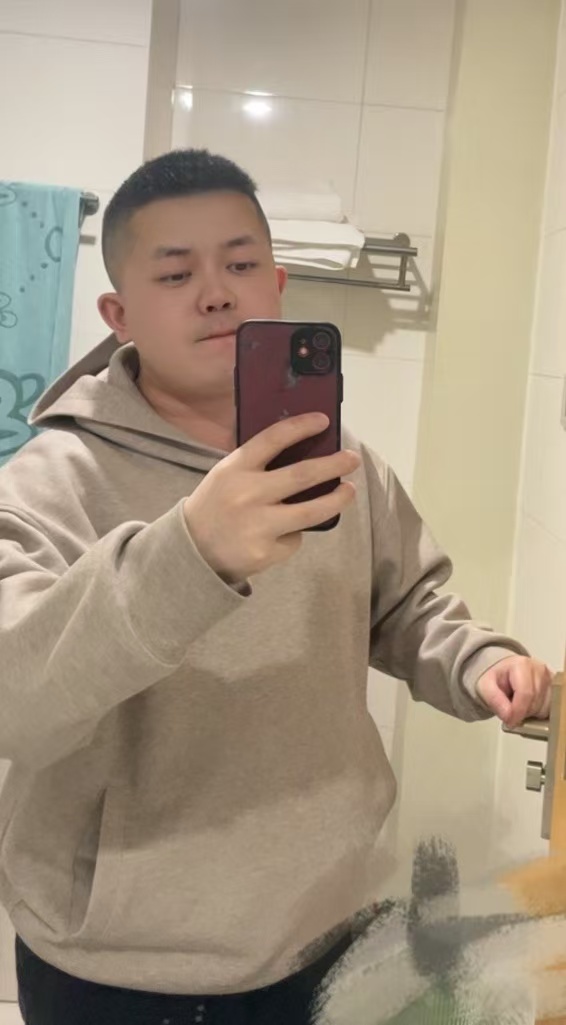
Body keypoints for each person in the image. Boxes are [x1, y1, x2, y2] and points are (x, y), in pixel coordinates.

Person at [0, 148, 551, 1025]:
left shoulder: (338, 459)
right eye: (175, 273)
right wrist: (192, 552)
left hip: (325, 930)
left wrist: (477, 661)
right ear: (119, 313)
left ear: (278, 286)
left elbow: (406, 603)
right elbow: (14, 699)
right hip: (120, 967)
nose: (216, 293)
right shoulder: (49, 480)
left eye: (241, 264)